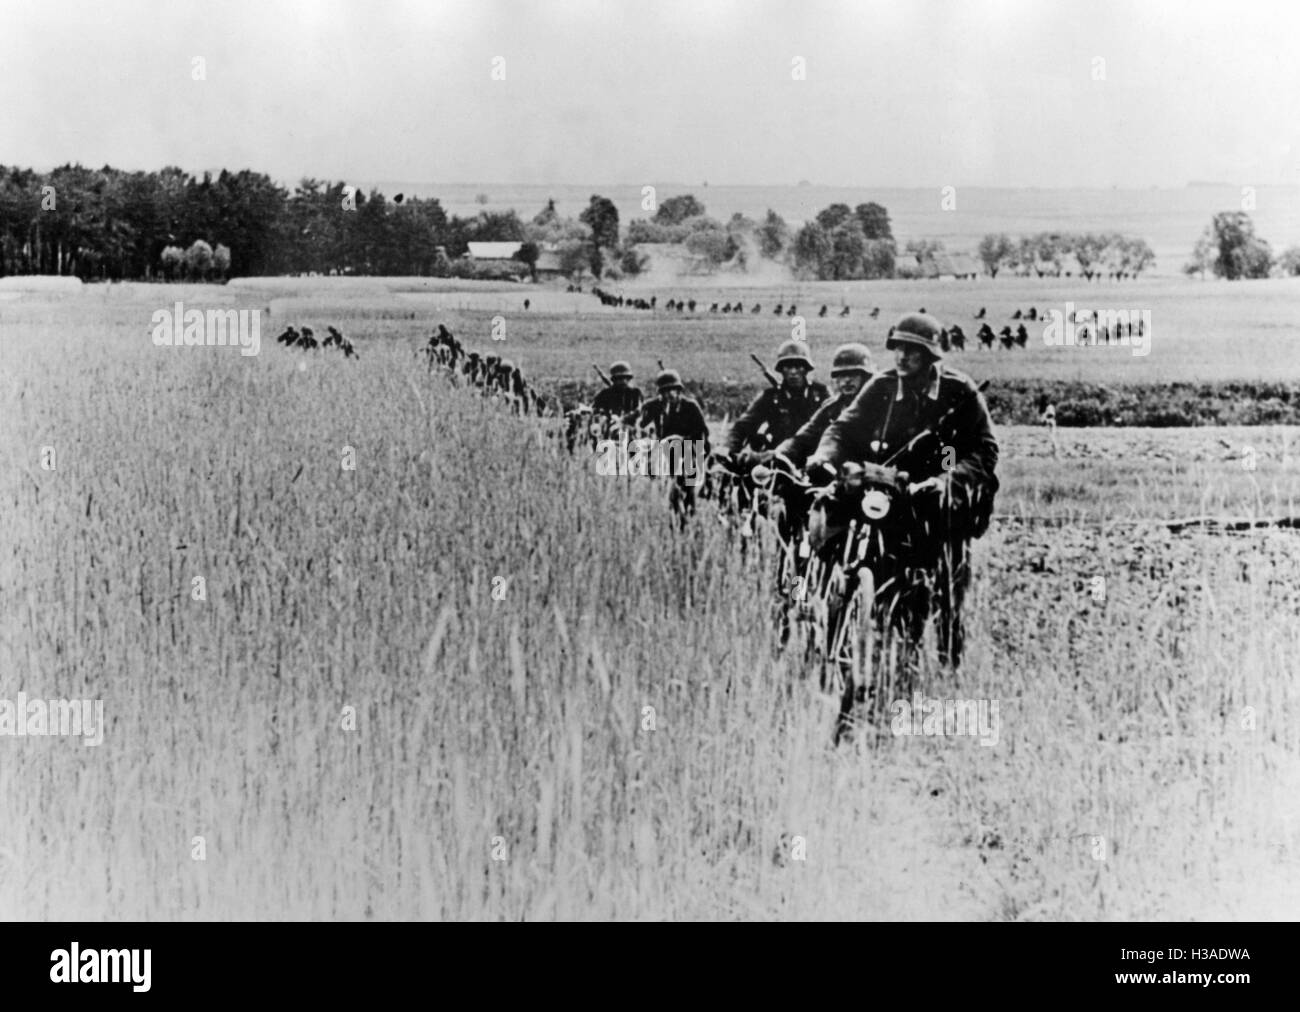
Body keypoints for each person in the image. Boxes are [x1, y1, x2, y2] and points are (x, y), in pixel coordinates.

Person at [806, 313, 998, 669]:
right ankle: (857, 625)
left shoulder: (960, 391)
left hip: (937, 493)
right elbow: (842, 428)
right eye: (897, 348)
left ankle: (946, 663)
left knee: (947, 585)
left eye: (912, 350)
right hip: (890, 491)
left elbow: (985, 450)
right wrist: (824, 456)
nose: (902, 357)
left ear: (931, 356)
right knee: (866, 553)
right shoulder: (881, 387)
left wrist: (946, 481)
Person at [764, 343, 874, 541]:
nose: (846, 381)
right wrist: (778, 455)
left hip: (870, 481)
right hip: (835, 479)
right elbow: (804, 436)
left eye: (854, 375)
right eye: (840, 376)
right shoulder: (830, 407)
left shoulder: (881, 406)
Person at [726, 340, 829, 458]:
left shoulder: (820, 394)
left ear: (806, 369)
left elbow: (837, 426)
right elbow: (742, 426)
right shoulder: (771, 397)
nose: (793, 372)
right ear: (781, 370)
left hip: (813, 457)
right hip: (777, 458)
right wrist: (728, 449)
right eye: (788, 367)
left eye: (798, 366)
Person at [637, 369, 711, 516]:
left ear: (678, 391)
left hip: (688, 450)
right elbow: (640, 421)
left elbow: (701, 433)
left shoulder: (690, 406)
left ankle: (689, 513)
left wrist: (682, 441)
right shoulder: (655, 406)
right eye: (665, 391)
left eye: (673, 390)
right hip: (665, 451)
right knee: (658, 480)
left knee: (687, 484)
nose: (669, 394)